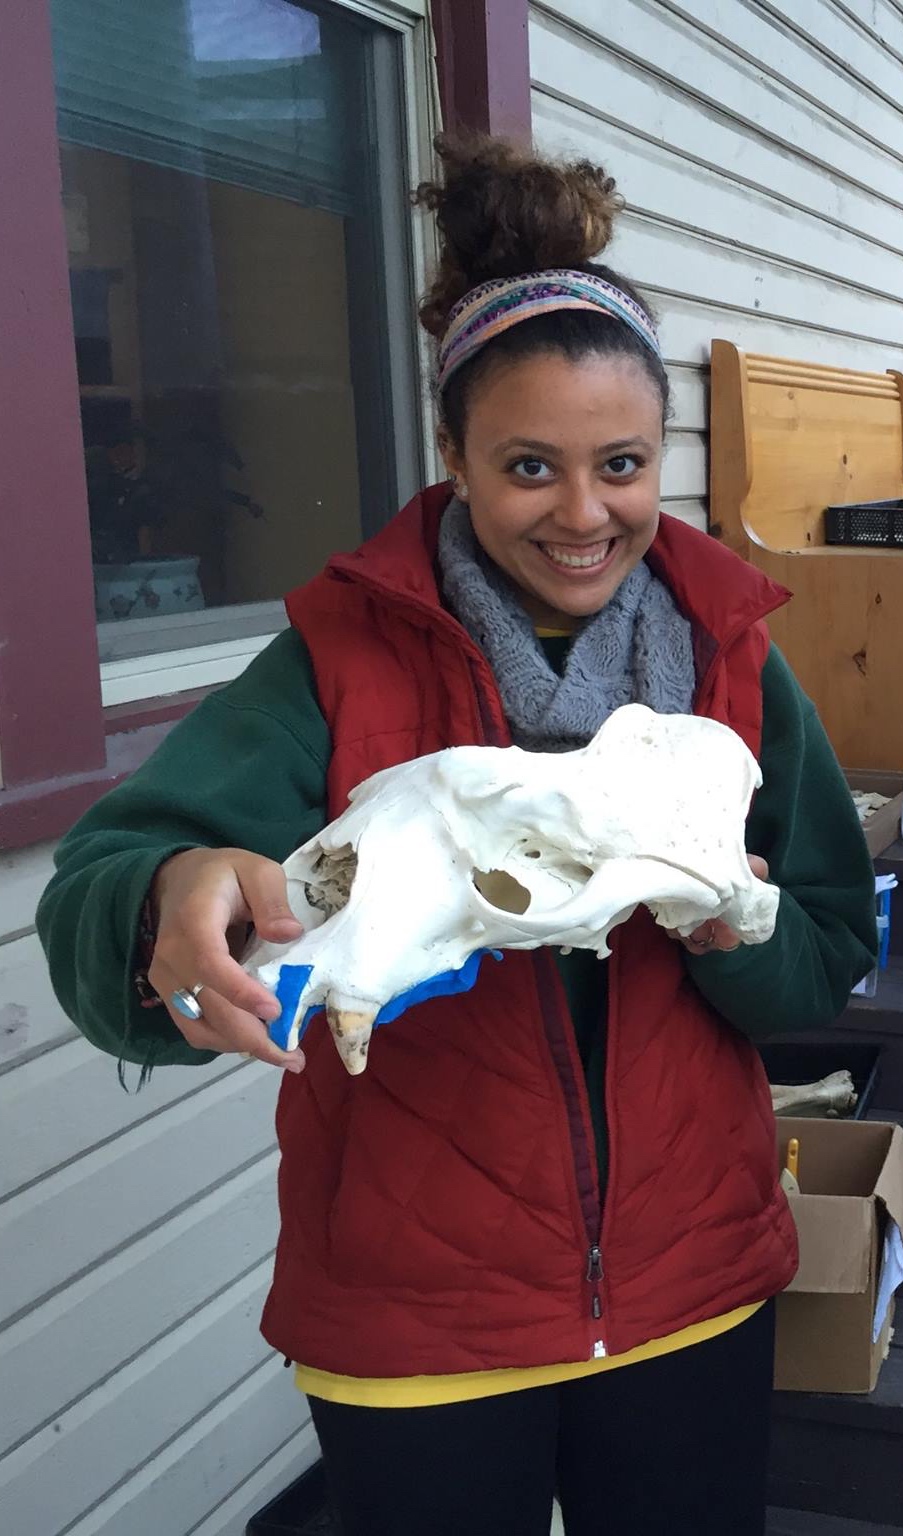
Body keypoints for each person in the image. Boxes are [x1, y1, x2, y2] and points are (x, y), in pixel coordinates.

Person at [38, 135, 877, 1536]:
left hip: (689, 1288)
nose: (584, 511)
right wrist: (165, 902)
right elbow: (103, 899)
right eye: (528, 466)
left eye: (619, 464)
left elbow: (829, 942)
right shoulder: (342, 662)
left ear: (655, 454)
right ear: (453, 455)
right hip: (414, 1319)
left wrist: (736, 926)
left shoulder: (732, 660)